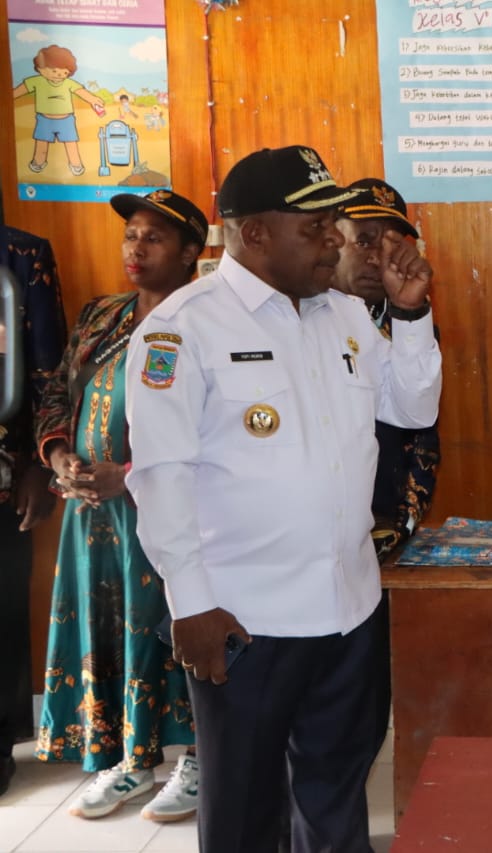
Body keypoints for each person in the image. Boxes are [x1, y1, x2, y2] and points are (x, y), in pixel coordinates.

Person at [124, 145, 442, 853]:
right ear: (255, 233)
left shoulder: (345, 315)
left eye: (332, 224)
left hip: (349, 610)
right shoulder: (183, 328)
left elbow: (412, 408)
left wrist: (411, 313)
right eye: (316, 227)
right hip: (245, 622)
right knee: (244, 814)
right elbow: (162, 476)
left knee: (335, 801)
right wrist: (190, 602)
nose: (335, 241)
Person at [33, 190, 207, 820]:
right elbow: (57, 393)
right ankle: (131, 759)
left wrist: (127, 476)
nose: (136, 248)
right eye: (131, 234)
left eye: (153, 238)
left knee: (175, 627)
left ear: (190, 252)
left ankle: (198, 759)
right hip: (92, 515)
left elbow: (216, 432)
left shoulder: (203, 322)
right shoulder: (101, 315)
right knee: (107, 629)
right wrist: (60, 456)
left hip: (168, 511)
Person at [333, 177, 441, 755]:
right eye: (365, 240)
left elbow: (420, 424)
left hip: (378, 535)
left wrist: (404, 520)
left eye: (392, 243)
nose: (378, 256)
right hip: (303, 550)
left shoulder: (404, 316)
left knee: (361, 707)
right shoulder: (308, 318)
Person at [0, 224, 66, 798]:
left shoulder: (21, 254)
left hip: (4, 467)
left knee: (1, 609)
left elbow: (49, 372)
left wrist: (40, 468)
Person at [12, 44, 106, 177]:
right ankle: (38, 162)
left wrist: (93, 100)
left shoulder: (69, 83)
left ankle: (76, 164)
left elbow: (81, 92)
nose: (59, 75)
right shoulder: (36, 81)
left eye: (65, 72)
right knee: (41, 143)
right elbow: (19, 91)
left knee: (71, 143)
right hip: (44, 119)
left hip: (66, 120)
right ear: (40, 69)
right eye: (54, 70)